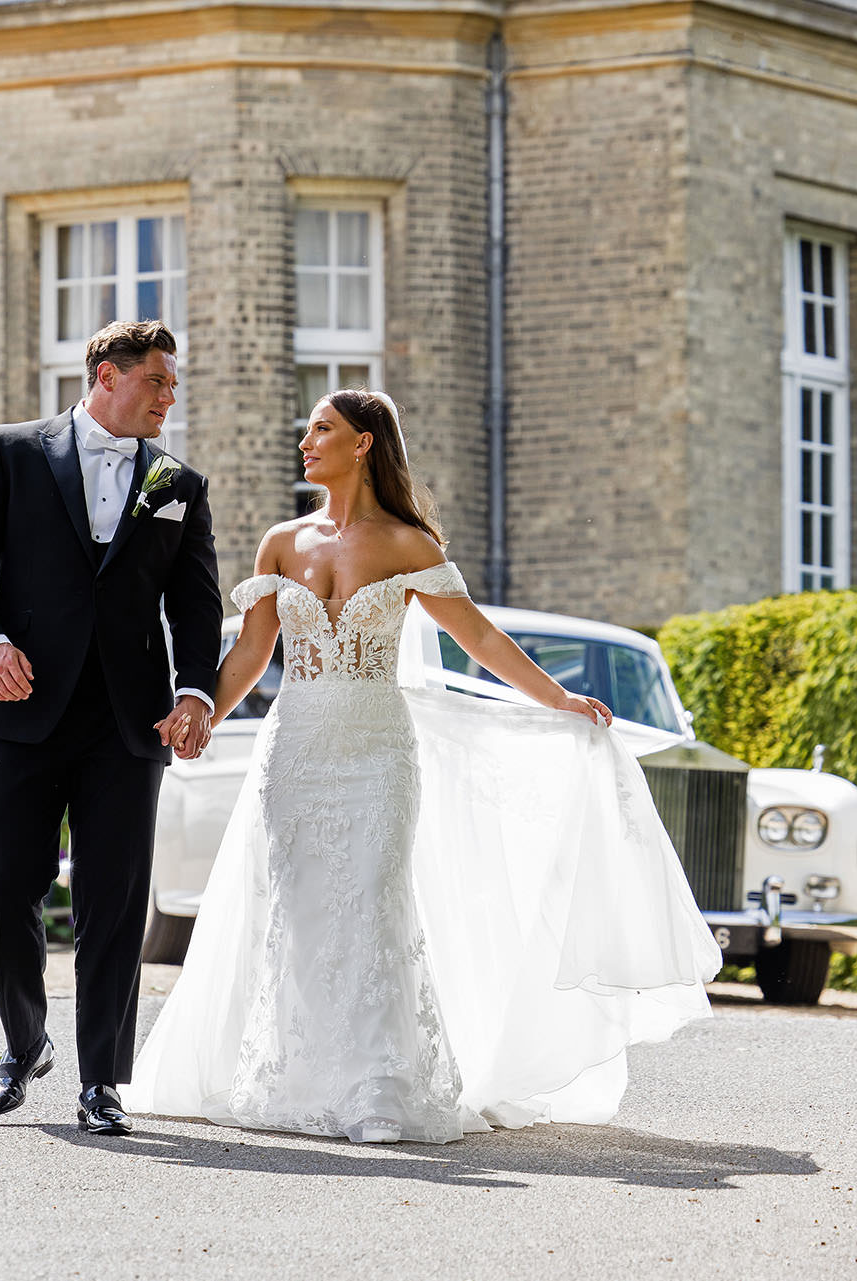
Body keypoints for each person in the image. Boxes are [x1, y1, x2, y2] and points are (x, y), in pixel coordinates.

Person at [122, 388, 721, 1143]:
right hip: (296, 751)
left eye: (322, 428)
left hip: (377, 751)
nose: (305, 440)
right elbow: (251, 650)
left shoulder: (410, 545)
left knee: (372, 902)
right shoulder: (282, 542)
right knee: (301, 911)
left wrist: (557, 697)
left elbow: (481, 638)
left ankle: (379, 1087)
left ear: (364, 442)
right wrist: (203, 704)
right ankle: (297, 1076)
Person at [0, 319, 222, 1137]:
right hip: (18, 705)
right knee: (3, 878)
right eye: (158, 382)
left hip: (127, 724)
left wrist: (196, 691)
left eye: (173, 385)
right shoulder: (9, 450)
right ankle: (24, 1044)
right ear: (107, 374)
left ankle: (102, 1079)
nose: (170, 398)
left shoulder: (178, 484)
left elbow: (195, 604)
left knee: (115, 902)